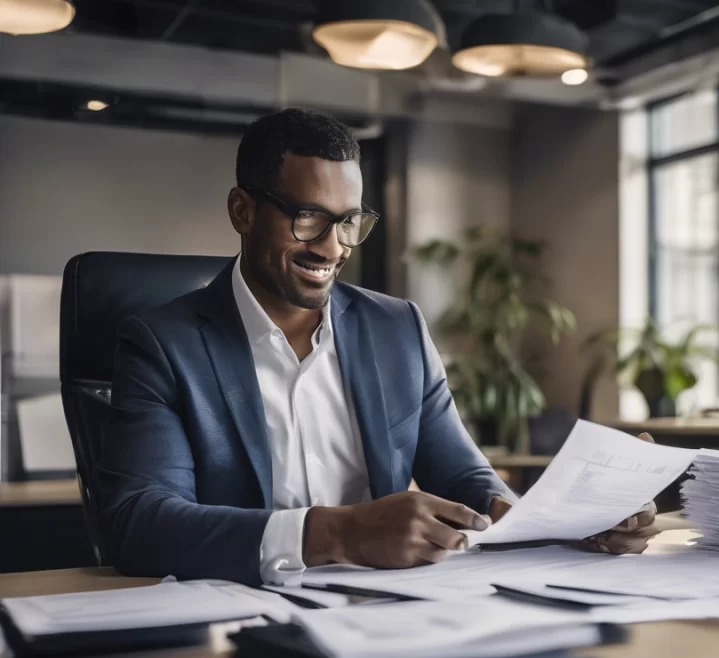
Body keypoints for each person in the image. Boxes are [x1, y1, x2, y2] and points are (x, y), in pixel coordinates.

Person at [98, 109, 658, 587]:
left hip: (388, 611)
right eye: (308, 217)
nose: (332, 247)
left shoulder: (397, 329)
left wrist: (559, 522)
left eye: (347, 222)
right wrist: (341, 532)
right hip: (235, 620)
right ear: (243, 211)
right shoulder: (163, 343)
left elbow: (465, 478)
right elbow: (138, 523)